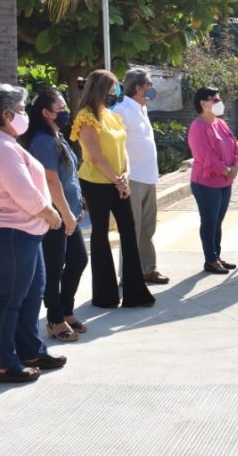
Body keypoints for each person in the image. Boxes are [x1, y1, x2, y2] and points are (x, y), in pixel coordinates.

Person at [0, 84, 67, 383]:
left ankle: (30, 351)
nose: (25, 115)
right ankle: (2, 364)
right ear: (6, 114)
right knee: (10, 300)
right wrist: (51, 214)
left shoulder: (6, 142)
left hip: (24, 233)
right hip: (9, 234)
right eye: (21, 110)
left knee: (31, 295)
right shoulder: (1, 148)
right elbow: (25, 193)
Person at [70, 70, 156, 308]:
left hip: (119, 180)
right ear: (101, 88)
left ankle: (135, 292)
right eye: (112, 88)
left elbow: (123, 148)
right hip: (96, 183)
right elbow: (95, 156)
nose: (115, 92)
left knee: (129, 232)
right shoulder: (86, 117)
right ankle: (105, 295)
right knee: (101, 235)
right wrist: (117, 180)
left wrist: (125, 176)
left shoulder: (112, 115)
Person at [23, 88, 89, 342]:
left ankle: (66, 310)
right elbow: (51, 180)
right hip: (54, 217)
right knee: (53, 268)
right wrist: (66, 214)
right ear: (46, 113)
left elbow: (68, 175)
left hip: (68, 213)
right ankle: (55, 318)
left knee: (78, 260)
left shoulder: (56, 135)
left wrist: (78, 204)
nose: (65, 112)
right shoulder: (42, 141)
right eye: (60, 108)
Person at [114, 68, 168, 284]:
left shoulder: (142, 109)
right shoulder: (122, 110)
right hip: (133, 178)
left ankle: (147, 269)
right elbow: (116, 147)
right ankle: (128, 274)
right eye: (149, 85)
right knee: (131, 229)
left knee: (147, 228)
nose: (152, 88)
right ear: (138, 88)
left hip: (148, 176)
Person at [187, 86, 238, 275]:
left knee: (218, 221)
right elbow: (205, 155)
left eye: (219, 99)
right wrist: (225, 170)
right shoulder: (198, 127)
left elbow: (235, 146)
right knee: (209, 221)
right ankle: (210, 260)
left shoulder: (221, 123)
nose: (220, 103)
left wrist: (236, 165)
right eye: (215, 100)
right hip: (206, 182)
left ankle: (216, 256)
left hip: (225, 181)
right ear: (203, 103)